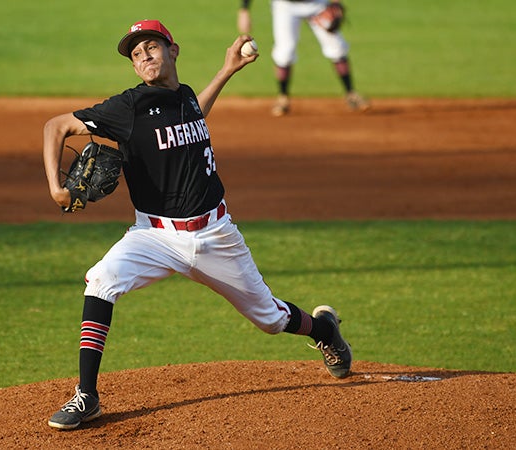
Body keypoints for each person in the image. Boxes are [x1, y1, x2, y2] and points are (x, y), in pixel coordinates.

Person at [42, 19, 352, 430]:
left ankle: (325, 330)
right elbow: (56, 126)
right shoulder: (130, 107)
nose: (144, 57)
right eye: (136, 54)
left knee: (271, 319)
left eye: (151, 47)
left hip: (215, 236)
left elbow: (194, 115)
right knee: (101, 281)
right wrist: (56, 189)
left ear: (173, 51)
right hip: (152, 236)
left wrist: (226, 71)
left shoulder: (183, 97)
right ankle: (87, 396)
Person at [238, 0, 370, 115]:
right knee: (285, 52)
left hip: (316, 4)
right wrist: (244, 9)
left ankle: (351, 95)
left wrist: (336, 3)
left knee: (337, 47)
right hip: (285, 6)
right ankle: (283, 98)